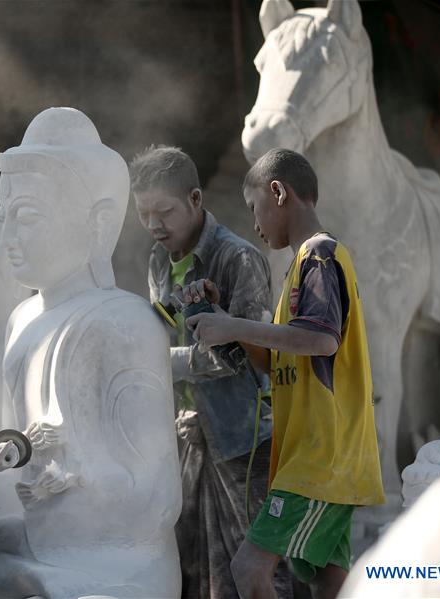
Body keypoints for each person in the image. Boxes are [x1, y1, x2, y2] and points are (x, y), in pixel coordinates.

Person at [183, 148, 385, 599]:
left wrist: (233, 325)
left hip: (321, 459)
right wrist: (223, 319)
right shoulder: (299, 268)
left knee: (249, 570)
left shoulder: (320, 255)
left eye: (254, 208)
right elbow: (278, 364)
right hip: (316, 459)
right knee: (330, 585)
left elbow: (321, 339)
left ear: (278, 192)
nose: (254, 224)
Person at [129, 145, 294, 599]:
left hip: (243, 438)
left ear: (196, 200)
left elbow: (243, 358)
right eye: (144, 214)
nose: (154, 225)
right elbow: (161, 333)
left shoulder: (237, 258)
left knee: (258, 572)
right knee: (196, 570)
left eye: (164, 211)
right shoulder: (158, 261)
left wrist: (159, 363)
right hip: (187, 437)